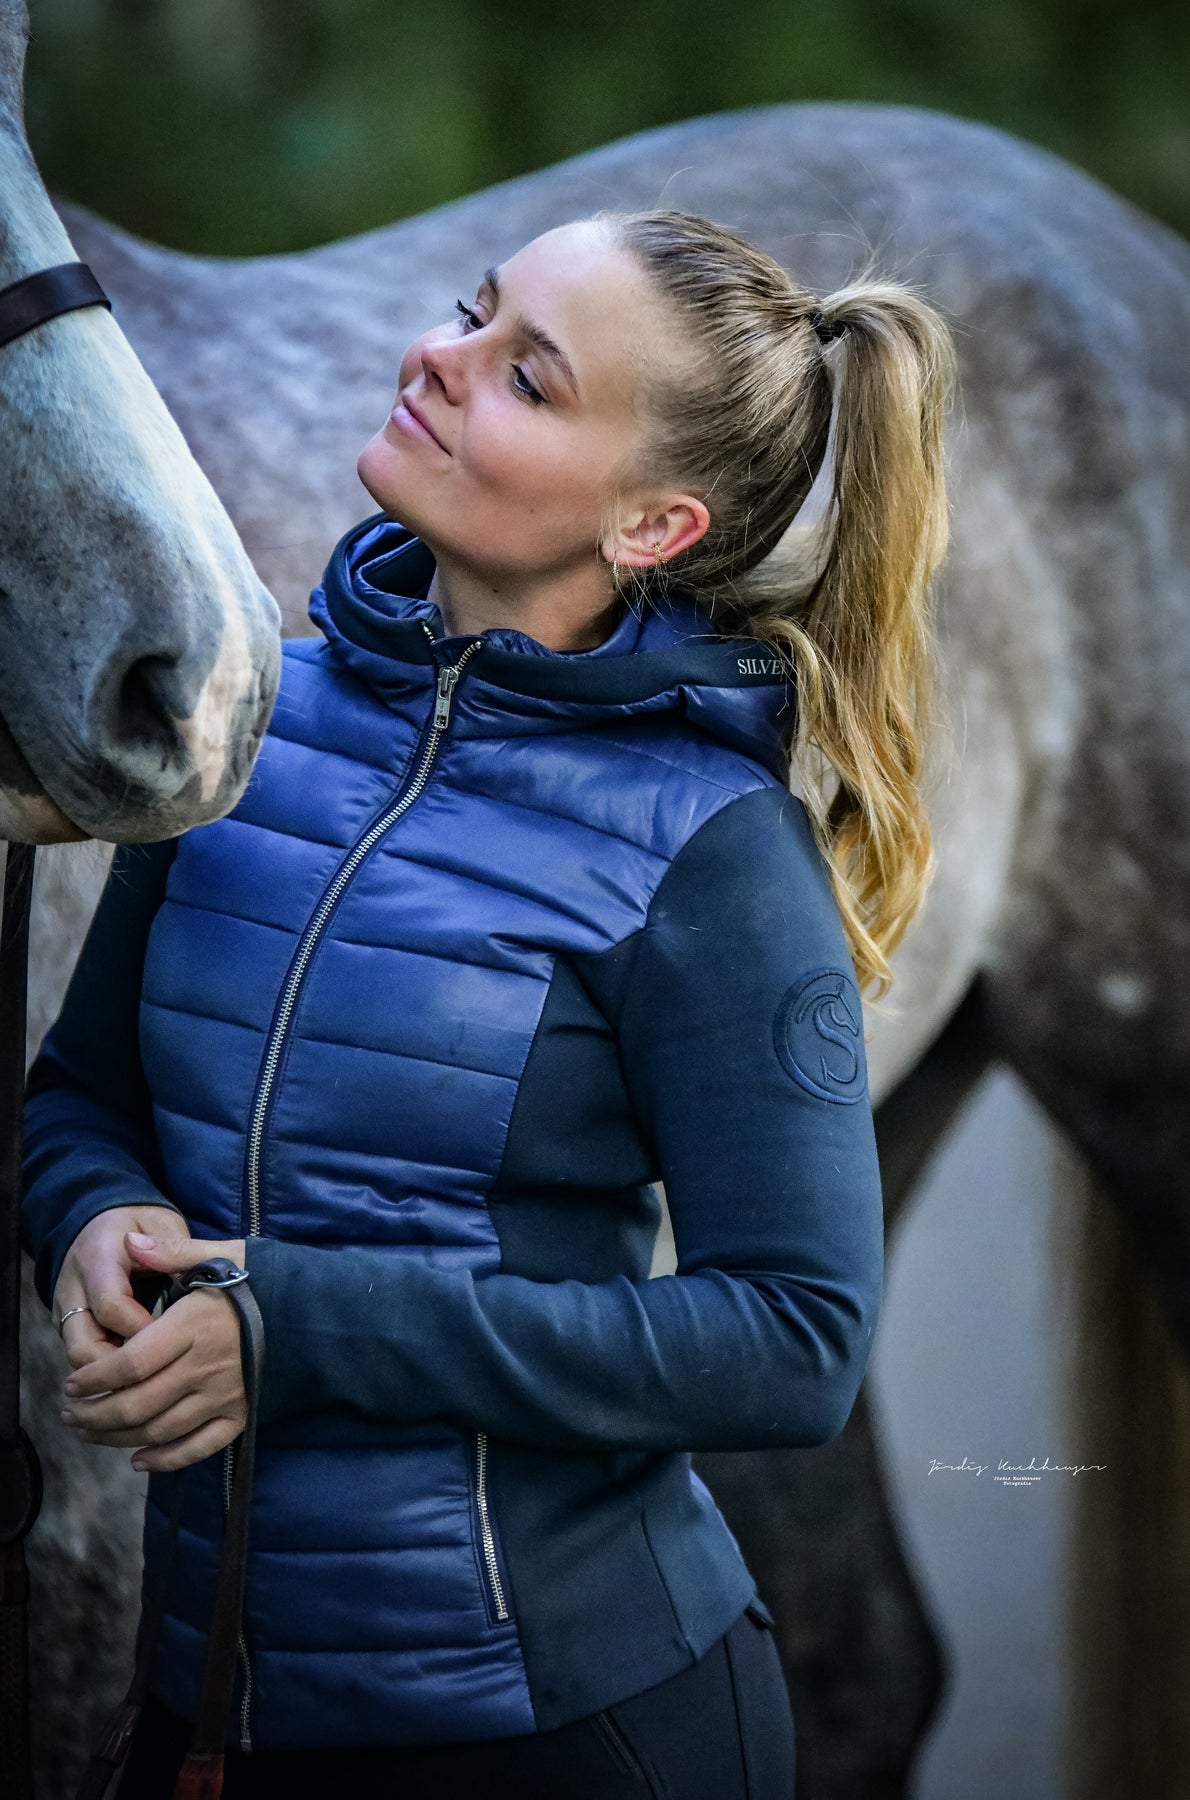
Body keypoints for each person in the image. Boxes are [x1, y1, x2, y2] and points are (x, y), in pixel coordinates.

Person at [21, 207, 956, 1799]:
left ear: (653, 525)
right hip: (208, 1709)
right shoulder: (244, 715)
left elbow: (791, 1341)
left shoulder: (713, 854)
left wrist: (300, 1327)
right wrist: (92, 1211)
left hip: (563, 1729)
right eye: (471, 313)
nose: (436, 361)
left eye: (528, 376)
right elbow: (79, 1096)